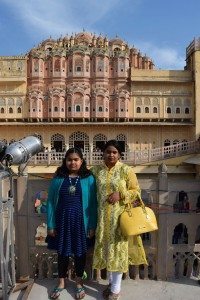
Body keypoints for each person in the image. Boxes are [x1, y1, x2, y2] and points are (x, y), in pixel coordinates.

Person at [91, 140, 147, 300]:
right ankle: (110, 283)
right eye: (108, 151)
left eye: (114, 152)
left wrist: (121, 195)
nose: (111, 155)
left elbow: (136, 191)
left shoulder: (126, 170)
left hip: (119, 219)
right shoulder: (96, 171)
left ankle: (115, 290)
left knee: (118, 251)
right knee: (107, 251)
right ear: (103, 153)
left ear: (120, 155)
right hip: (102, 219)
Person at [46, 147, 97, 299]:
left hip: (81, 223)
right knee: (62, 253)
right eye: (69, 159)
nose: (72, 162)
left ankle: (79, 282)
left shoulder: (89, 178)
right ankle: (61, 282)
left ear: (82, 161)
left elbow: (93, 204)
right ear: (65, 161)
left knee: (81, 253)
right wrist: (50, 225)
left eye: (76, 159)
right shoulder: (58, 178)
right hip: (62, 222)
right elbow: (50, 202)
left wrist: (92, 225)